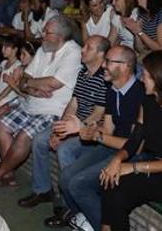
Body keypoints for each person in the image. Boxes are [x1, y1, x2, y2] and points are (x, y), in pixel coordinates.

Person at [45, 45, 146, 230]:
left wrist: (92, 134)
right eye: (104, 60)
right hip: (111, 145)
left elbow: (135, 146)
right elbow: (108, 130)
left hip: (131, 154)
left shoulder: (139, 95)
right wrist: (83, 129)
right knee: (65, 177)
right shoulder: (112, 90)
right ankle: (83, 217)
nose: (103, 66)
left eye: (109, 62)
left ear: (125, 66)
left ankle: (101, 226)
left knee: (77, 183)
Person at [99, 51, 162, 231]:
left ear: (158, 79)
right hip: (152, 167)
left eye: (145, 76)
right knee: (110, 180)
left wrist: (133, 167)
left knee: (117, 191)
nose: (141, 80)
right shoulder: (148, 102)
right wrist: (117, 159)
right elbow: (135, 139)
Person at [17, 35, 108, 214]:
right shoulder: (83, 73)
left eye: (88, 47)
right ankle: (42, 190)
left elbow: (99, 113)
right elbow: (73, 103)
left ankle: (70, 205)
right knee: (39, 140)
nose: (83, 49)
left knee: (65, 149)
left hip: (91, 129)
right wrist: (60, 129)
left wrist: (70, 131)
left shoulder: (104, 79)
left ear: (101, 54)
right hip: (73, 124)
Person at [0, 15, 82, 187]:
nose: (42, 34)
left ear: (59, 37)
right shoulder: (44, 49)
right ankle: (9, 174)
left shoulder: (73, 52)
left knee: (24, 137)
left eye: (47, 32)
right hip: (31, 101)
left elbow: (54, 83)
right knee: (0, 125)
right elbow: (25, 77)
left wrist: (29, 84)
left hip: (53, 109)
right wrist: (32, 87)